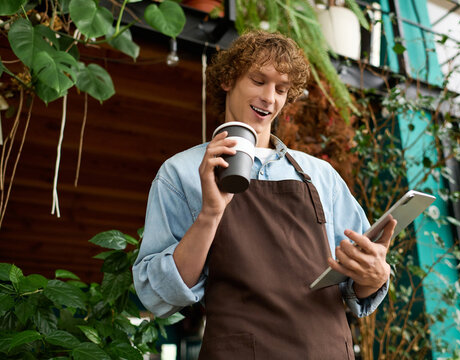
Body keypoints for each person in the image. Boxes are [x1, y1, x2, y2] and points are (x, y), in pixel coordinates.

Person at [133, 30, 397, 359]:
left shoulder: (320, 176)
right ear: (229, 79)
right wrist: (210, 215)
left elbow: (356, 284)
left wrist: (375, 276)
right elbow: (157, 294)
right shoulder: (182, 173)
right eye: (258, 81)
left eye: (281, 89)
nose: (269, 98)